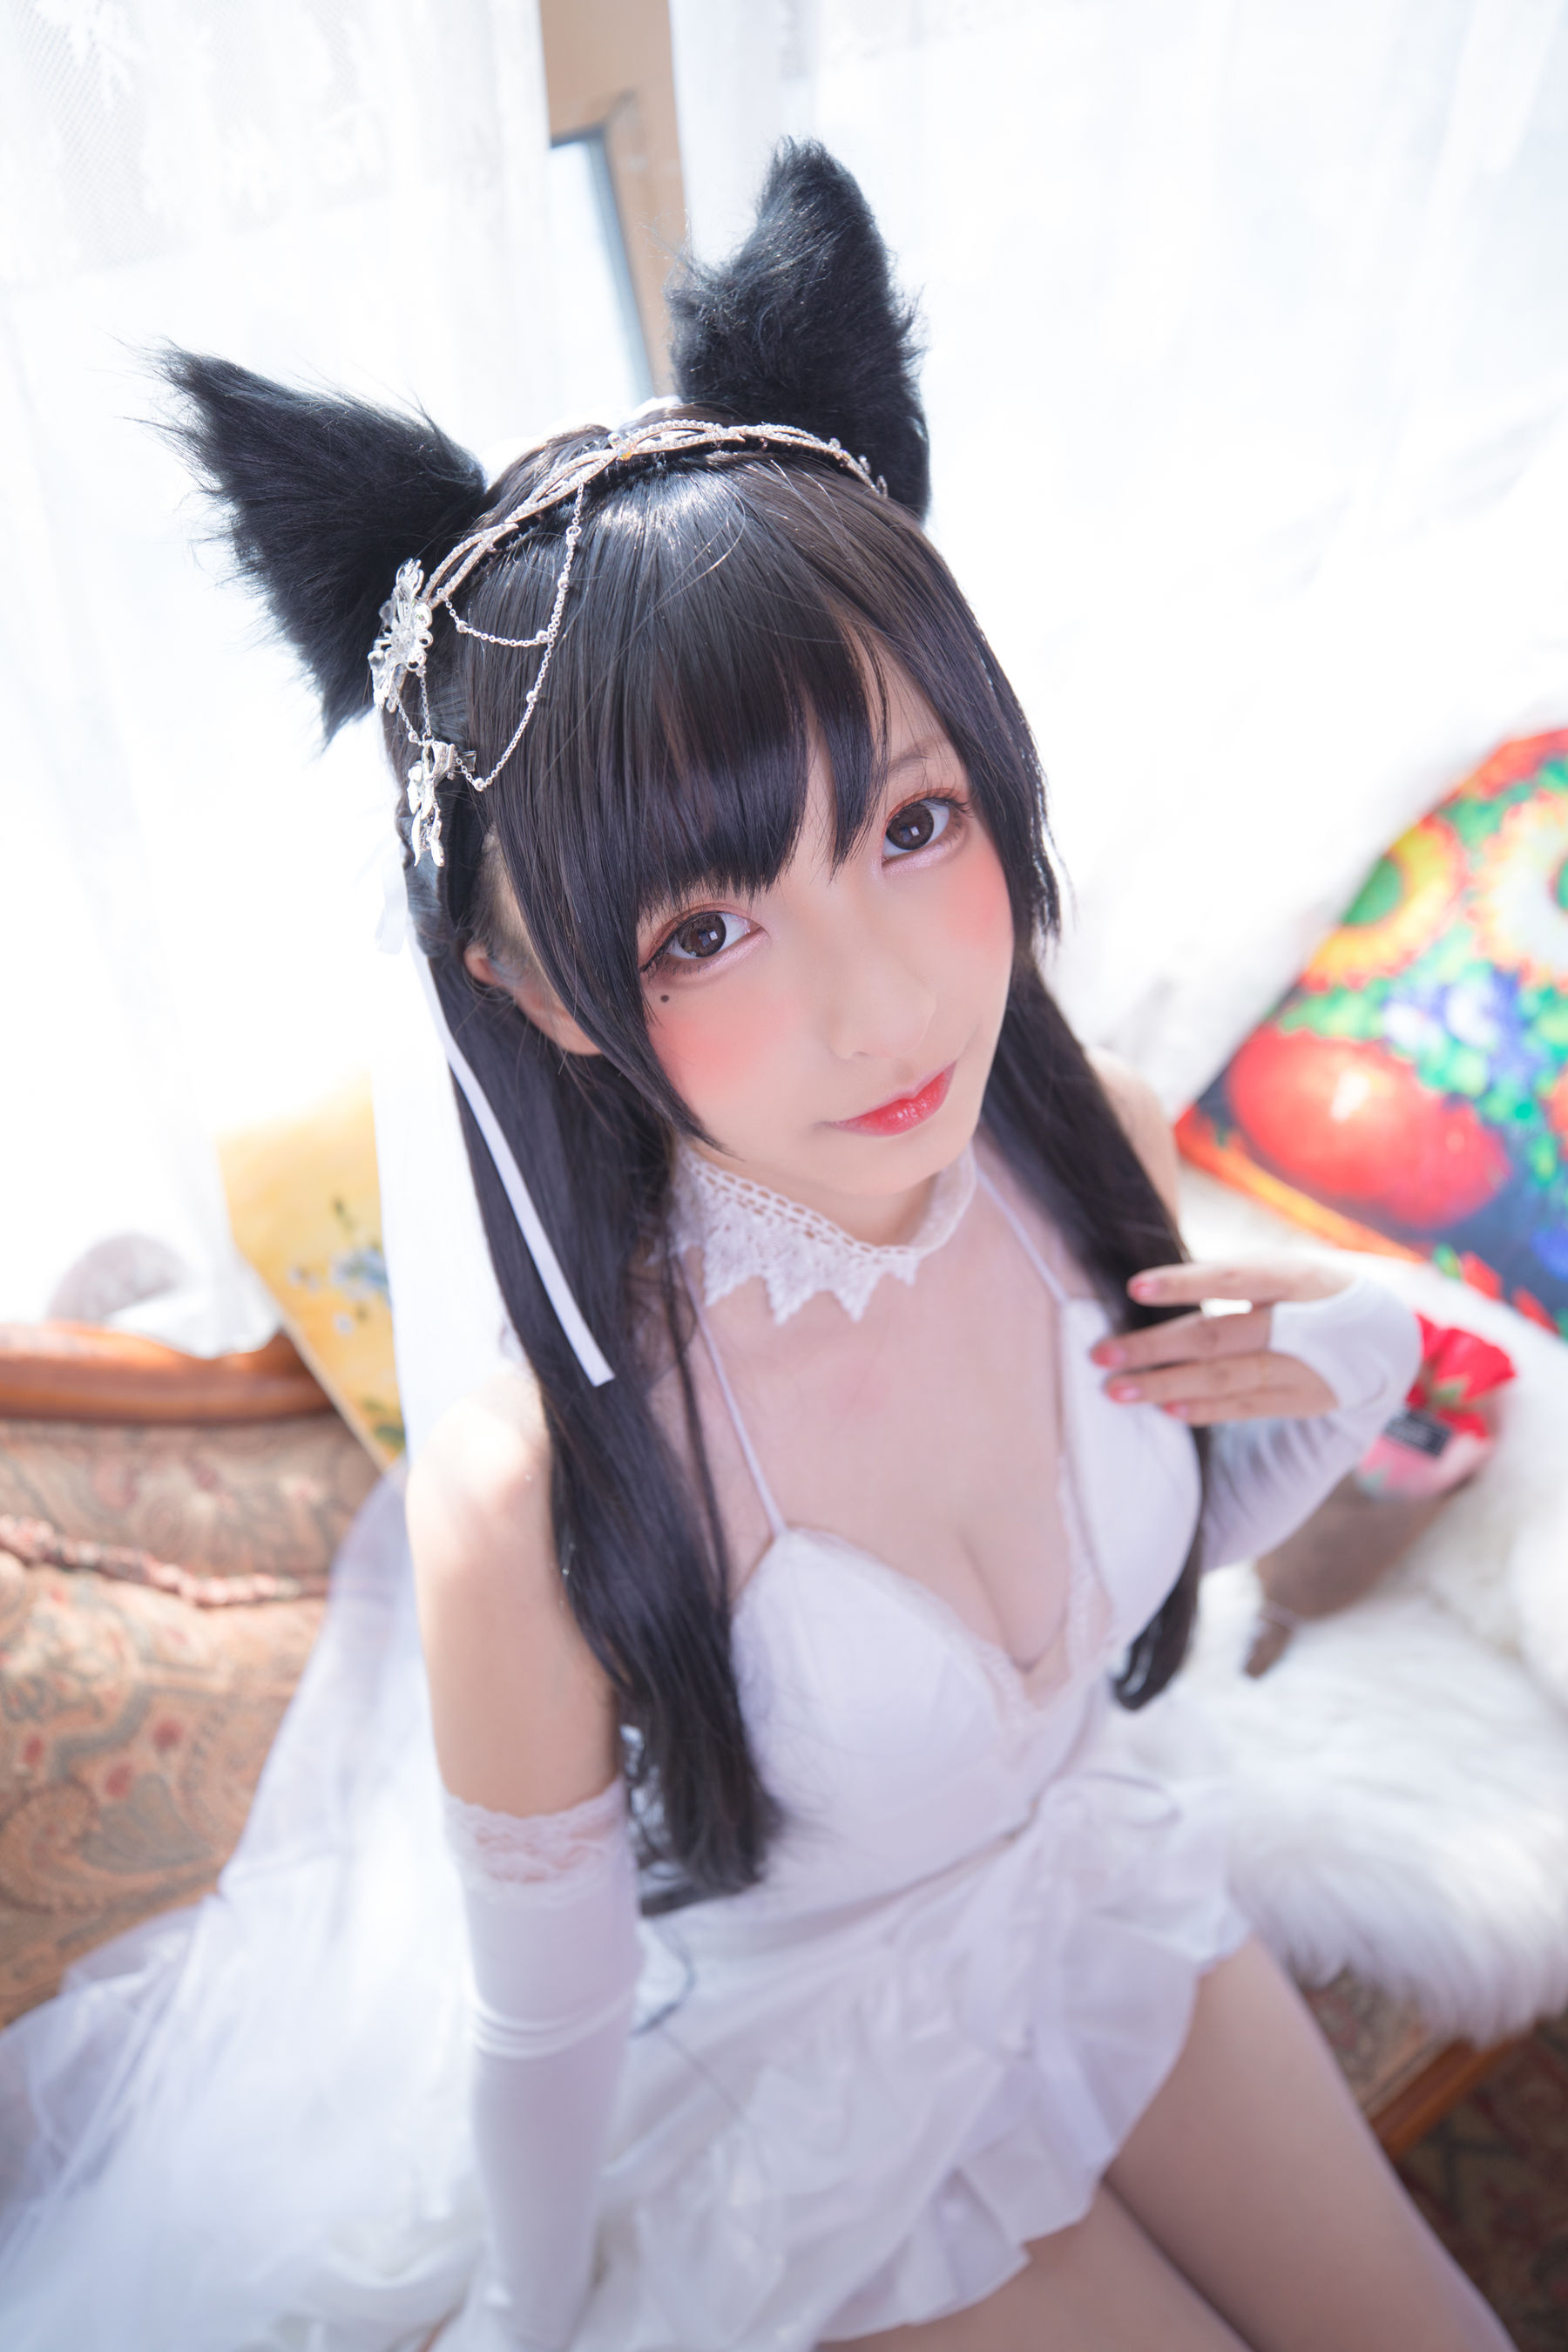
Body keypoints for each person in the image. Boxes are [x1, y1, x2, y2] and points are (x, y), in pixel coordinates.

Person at [0, 145, 1511, 2352]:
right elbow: (543, 2032)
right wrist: (538, 2316)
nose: (881, 1005)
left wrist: (1353, 1358)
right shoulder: (551, 1488)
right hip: (785, 2103)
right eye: (707, 927)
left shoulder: (1060, 1153)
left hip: (1083, 1885)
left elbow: (1119, 1576)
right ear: (532, 987)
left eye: (912, 823)